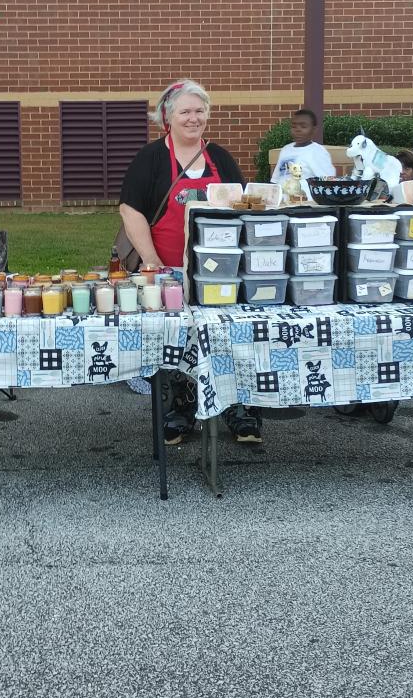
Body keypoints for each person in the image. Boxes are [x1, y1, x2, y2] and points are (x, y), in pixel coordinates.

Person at [119, 80, 262, 445]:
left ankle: (235, 406)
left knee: (227, 337)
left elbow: (241, 208)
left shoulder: (220, 158)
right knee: (177, 340)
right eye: (185, 111)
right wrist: (151, 261)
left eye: (199, 111)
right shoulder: (151, 158)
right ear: (168, 117)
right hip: (168, 271)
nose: (193, 118)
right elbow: (131, 210)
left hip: (220, 272)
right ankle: (181, 409)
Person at [270, 108, 335, 193]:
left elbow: (328, 182)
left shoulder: (318, 152)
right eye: (294, 126)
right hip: (282, 199)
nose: (298, 130)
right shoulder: (286, 150)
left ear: (314, 129)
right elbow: (275, 180)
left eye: (303, 126)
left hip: (305, 200)